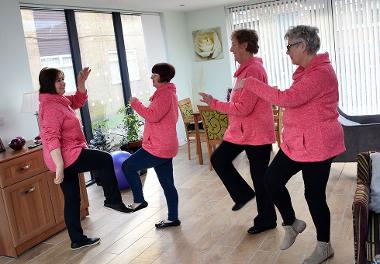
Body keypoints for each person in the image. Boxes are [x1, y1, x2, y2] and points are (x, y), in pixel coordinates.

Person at [242, 25, 346, 264]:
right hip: (297, 143)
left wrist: (250, 83)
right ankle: (291, 223)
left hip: (318, 145)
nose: (287, 52)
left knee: (314, 196)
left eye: (289, 46)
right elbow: (294, 97)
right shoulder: (307, 71)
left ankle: (324, 246)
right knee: (271, 179)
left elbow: (288, 99)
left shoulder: (321, 73)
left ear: (302, 46)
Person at [38, 67, 130, 250]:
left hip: (65, 157)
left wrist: (81, 83)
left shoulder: (59, 100)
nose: (63, 83)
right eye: (58, 80)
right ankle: (112, 199)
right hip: (67, 155)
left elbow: (78, 100)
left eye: (63, 79)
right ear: (49, 83)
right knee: (104, 159)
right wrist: (59, 166)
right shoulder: (50, 107)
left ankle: (77, 239)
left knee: (72, 199)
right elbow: (50, 137)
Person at [199, 29, 277, 235]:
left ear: (244, 45)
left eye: (233, 44)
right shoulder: (245, 70)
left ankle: (267, 219)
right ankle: (242, 194)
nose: (231, 49)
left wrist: (214, 103)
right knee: (219, 159)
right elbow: (240, 106)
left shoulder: (253, 71)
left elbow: (243, 108)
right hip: (243, 132)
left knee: (260, 178)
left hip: (256, 133)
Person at [121, 63, 181, 229]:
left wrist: (136, 103)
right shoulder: (166, 93)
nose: (151, 77)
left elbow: (152, 116)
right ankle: (172, 218)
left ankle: (139, 200)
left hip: (157, 148)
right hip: (164, 146)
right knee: (168, 184)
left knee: (127, 165)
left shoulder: (165, 95)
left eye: (154, 75)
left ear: (162, 77)